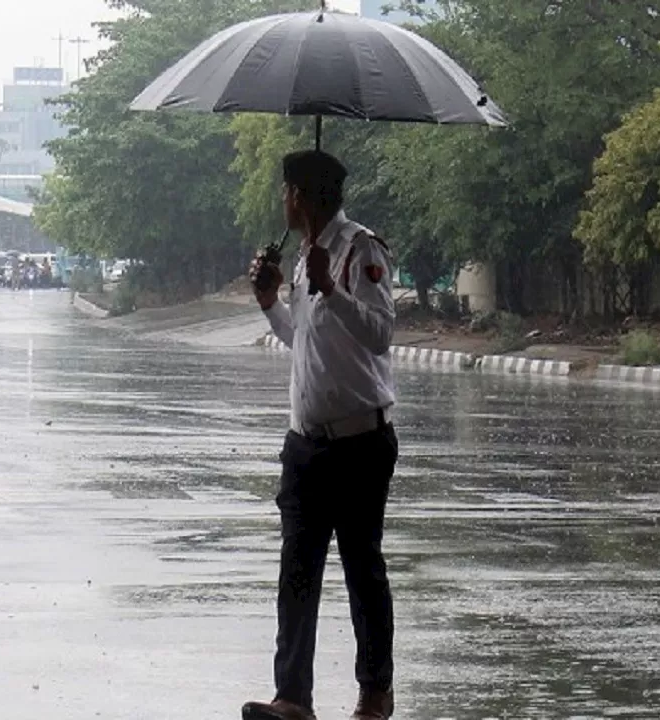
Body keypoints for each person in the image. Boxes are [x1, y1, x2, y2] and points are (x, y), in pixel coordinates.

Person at [242, 150, 400, 720]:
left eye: (287, 191)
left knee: (363, 568)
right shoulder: (307, 256)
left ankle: (374, 693)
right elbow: (306, 341)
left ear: (305, 197)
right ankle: (293, 698)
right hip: (305, 444)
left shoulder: (361, 250)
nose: (282, 201)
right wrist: (269, 304)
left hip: (360, 444)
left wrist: (332, 288)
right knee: (297, 571)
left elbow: (381, 333)